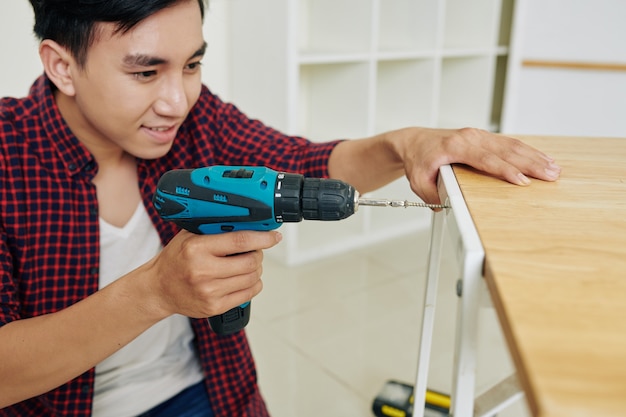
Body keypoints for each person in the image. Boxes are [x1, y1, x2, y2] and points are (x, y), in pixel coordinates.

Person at [0, 0, 561, 416]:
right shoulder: (7, 154)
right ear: (62, 65)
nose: (177, 100)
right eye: (146, 72)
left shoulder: (198, 119)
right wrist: (154, 292)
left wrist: (404, 144)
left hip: (212, 391)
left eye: (192, 64)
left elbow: (305, 162)